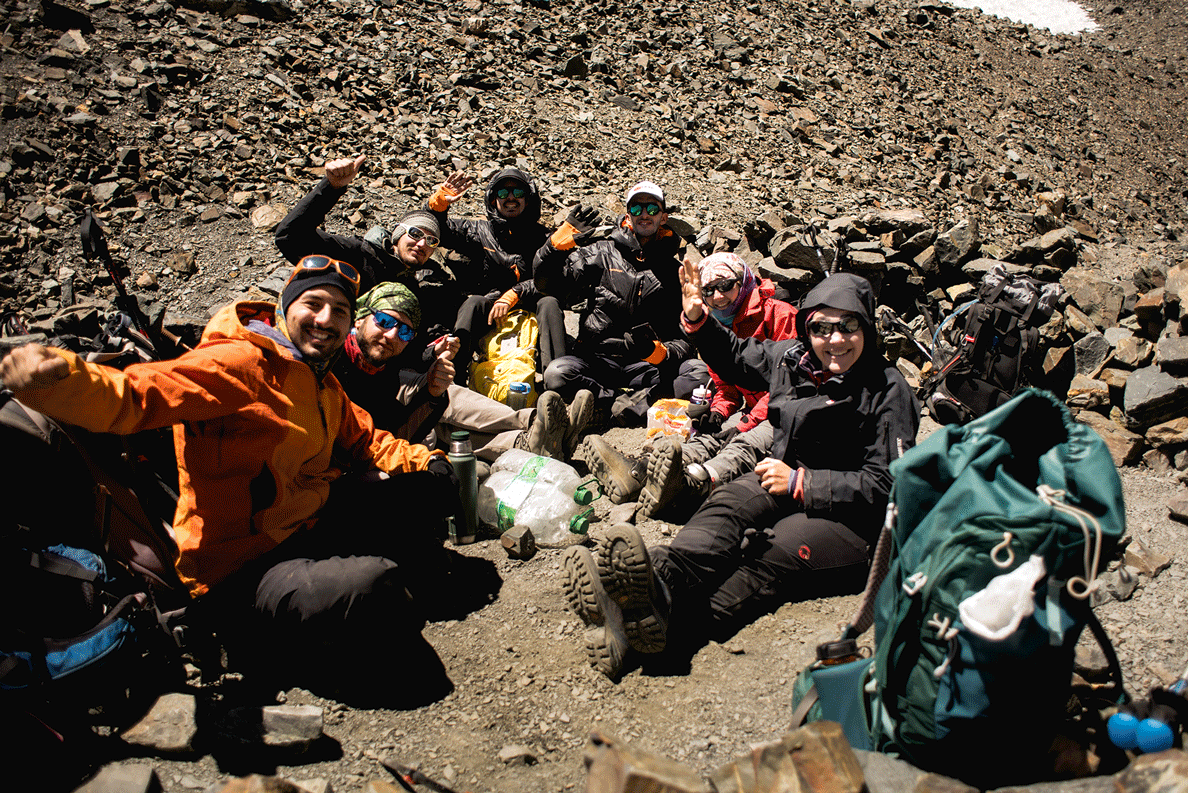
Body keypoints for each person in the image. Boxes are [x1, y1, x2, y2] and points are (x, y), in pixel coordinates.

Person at [0, 256, 460, 705]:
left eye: (340, 311)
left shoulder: (319, 380)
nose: (326, 319)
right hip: (239, 567)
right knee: (375, 585)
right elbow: (140, 395)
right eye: (313, 304)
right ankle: (258, 643)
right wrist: (62, 379)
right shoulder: (239, 362)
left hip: (304, 525)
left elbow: (367, 438)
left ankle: (342, 607)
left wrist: (428, 461)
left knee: (424, 495)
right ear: (285, 307)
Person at [561, 269, 920, 678]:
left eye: (848, 326)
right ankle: (653, 583)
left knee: (767, 553)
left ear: (867, 327)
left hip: (854, 521)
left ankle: (666, 630)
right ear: (807, 329)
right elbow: (736, 355)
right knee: (728, 505)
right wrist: (698, 319)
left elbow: (889, 484)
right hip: (789, 475)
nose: (834, 339)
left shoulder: (888, 389)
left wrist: (803, 483)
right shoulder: (794, 359)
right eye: (821, 327)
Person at [334, 281, 594, 464]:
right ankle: (540, 426)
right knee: (440, 426)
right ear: (359, 319)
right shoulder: (330, 360)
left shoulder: (386, 362)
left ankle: (532, 438)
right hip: (367, 447)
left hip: (391, 426)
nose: (391, 335)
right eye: (384, 321)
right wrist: (430, 398)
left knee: (442, 404)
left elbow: (408, 370)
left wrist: (432, 361)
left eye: (404, 332)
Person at [634, 251, 798, 517]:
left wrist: (747, 421)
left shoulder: (779, 315)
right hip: (755, 409)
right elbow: (726, 388)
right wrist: (719, 412)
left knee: (746, 442)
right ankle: (646, 470)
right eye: (709, 290)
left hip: (786, 412)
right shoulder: (717, 326)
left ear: (743, 281)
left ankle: (695, 484)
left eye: (726, 285)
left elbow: (789, 385)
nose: (718, 296)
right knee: (712, 435)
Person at [534, 180, 697, 431]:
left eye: (652, 209)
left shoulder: (674, 271)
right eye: (637, 208)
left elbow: (685, 340)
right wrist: (552, 249)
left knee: (696, 374)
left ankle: (610, 410)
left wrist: (660, 353)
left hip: (645, 365)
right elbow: (548, 286)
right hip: (597, 360)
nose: (644, 214)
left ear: (663, 217)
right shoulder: (598, 252)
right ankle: (627, 406)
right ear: (627, 215)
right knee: (556, 374)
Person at [275, 153, 460, 331]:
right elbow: (291, 238)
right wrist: (330, 188)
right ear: (397, 234)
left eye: (431, 241)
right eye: (415, 234)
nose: (422, 245)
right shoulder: (357, 254)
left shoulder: (411, 285)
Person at [425, 169, 567, 379]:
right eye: (503, 193)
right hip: (490, 307)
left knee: (550, 303)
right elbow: (435, 229)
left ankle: (557, 381)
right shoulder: (480, 231)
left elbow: (557, 276)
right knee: (473, 302)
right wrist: (437, 205)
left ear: (528, 200)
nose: (510, 197)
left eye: (518, 191)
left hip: (531, 305)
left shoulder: (545, 237)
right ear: (493, 200)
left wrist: (515, 293)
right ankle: (450, 377)